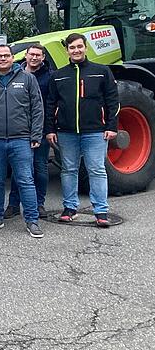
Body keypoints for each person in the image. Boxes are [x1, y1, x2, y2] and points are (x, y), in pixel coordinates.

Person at [45, 33, 119, 227]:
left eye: (79, 46)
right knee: (69, 169)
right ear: (67, 50)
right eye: (72, 47)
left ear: (85, 47)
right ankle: (70, 208)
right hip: (66, 132)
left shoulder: (102, 71)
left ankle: (101, 211)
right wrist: (50, 129)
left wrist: (112, 126)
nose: (76, 50)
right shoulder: (58, 75)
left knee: (97, 170)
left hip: (95, 131)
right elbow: (51, 104)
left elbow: (113, 101)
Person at [0, 44, 45, 238]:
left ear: (13, 58)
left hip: (21, 139)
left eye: (6, 55)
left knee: (26, 180)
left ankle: (32, 220)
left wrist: (36, 134)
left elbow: (37, 108)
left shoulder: (27, 79)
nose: (3, 59)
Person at [5, 43, 53, 220]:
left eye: (38, 55)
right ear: (25, 55)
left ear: (43, 58)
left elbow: (49, 105)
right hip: (20, 130)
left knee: (39, 168)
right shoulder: (14, 74)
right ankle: (13, 204)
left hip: (40, 130)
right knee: (20, 170)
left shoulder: (49, 77)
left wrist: (47, 129)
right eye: (31, 54)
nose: (34, 57)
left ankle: (39, 204)